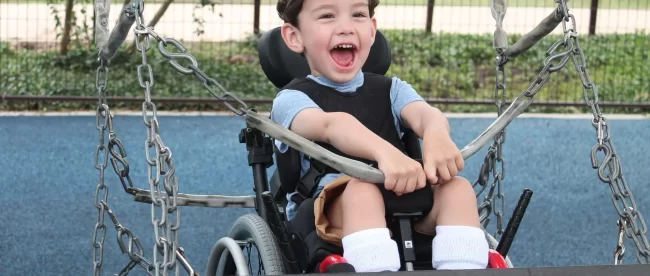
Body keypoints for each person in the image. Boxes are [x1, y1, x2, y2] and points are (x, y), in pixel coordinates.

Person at [271, 0, 489, 272]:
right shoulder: (291, 100)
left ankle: (462, 266)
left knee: (457, 189)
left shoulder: (393, 89)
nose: (346, 28)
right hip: (325, 212)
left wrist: (436, 135)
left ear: (372, 30)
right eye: (327, 15)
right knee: (363, 191)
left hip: (403, 201)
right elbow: (332, 125)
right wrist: (384, 153)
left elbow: (426, 115)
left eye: (358, 15)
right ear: (295, 36)